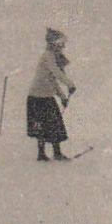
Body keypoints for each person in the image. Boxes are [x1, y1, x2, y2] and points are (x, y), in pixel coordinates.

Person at [27, 28, 76, 161]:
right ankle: (42, 154)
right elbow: (56, 73)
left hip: (46, 97)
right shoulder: (48, 56)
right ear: (54, 44)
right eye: (61, 43)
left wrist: (62, 97)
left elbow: (52, 81)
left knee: (55, 124)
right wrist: (70, 84)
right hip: (37, 97)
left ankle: (56, 153)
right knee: (42, 126)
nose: (63, 47)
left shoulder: (52, 57)